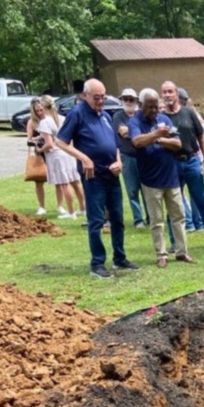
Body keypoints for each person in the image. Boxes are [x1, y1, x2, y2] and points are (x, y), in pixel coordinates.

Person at [56, 77, 139, 278]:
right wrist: (84, 158)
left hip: (112, 174)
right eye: (96, 97)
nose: (100, 101)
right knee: (96, 221)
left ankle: (119, 258)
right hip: (93, 176)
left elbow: (114, 144)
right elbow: (60, 142)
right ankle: (97, 263)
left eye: (103, 97)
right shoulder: (77, 114)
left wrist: (119, 162)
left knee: (118, 218)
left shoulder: (105, 115)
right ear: (85, 96)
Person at [129, 88, 193, 268]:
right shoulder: (135, 121)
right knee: (156, 220)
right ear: (141, 105)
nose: (153, 110)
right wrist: (157, 134)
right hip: (150, 180)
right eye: (149, 107)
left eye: (156, 107)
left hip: (171, 177)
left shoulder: (164, 119)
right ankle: (161, 254)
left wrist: (159, 140)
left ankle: (182, 252)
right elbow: (137, 142)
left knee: (178, 216)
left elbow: (178, 144)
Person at [160, 80, 204, 250]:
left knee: (202, 201)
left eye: (170, 92)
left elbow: (201, 136)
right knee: (173, 205)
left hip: (192, 161)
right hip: (172, 165)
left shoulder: (189, 113)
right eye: (164, 92)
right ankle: (175, 242)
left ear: (177, 95)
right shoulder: (161, 118)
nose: (167, 95)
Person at [38, 96, 86, 220]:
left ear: (42, 107)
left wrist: (39, 149)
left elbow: (49, 143)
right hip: (69, 153)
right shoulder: (63, 118)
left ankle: (71, 212)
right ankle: (83, 208)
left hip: (57, 155)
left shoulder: (44, 121)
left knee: (64, 184)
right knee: (75, 181)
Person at [112, 88, 148, 230]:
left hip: (144, 157)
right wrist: (138, 134)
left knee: (147, 189)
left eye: (131, 99)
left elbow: (146, 132)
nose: (128, 102)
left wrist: (133, 132)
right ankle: (138, 219)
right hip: (127, 157)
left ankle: (150, 217)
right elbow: (122, 132)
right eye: (125, 99)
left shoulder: (141, 115)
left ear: (136, 101)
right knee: (132, 190)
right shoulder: (118, 116)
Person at [176, 87, 204, 232]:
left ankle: (194, 223)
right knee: (180, 193)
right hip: (185, 159)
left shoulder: (191, 115)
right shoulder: (192, 114)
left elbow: (201, 137)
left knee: (195, 193)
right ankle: (192, 223)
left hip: (193, 158)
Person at [26, 98, 49, 215]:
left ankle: (61, 205)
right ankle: (42, 206)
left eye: (41, 109)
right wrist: (38, 138)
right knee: (39, 180)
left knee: (60, 181)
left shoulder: (50, 119)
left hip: (51, 151)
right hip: (39, 152)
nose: (40, 112)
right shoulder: (32, 122)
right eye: (37, 111)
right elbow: (29, 139)